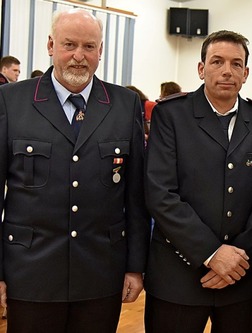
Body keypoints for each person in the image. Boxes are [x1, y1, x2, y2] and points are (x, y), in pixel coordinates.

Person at [0, 8, 149, 333]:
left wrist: (135, 267)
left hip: (100, 274)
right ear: (51, 45)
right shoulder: (11, 101)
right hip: (29, 272)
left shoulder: (125, 105)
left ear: (100, 51)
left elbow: (136, 196)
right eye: (69, 45)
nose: (79, 56)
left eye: (89, 47)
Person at [144, 30, 252, 333]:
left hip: (239, 279)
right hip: (178, 276)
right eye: (217, 61)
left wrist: (237, 260)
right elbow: (160, 193)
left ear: (246, 73)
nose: (227, 71)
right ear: (201, 68)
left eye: (236, 64)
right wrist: (212, 254)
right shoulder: (172, 115)